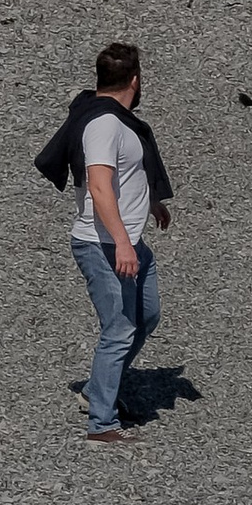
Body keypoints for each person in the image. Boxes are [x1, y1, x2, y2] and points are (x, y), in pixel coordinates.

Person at [40, 41, 171, 444]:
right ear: (135, 80)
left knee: (146, 318)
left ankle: (101, 388)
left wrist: (151, 204)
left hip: (127, 240)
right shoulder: (104, 125)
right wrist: (123, 243)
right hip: (103, 245)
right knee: (119, 327)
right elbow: (99, 187)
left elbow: (126, 176)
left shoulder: (116, 120)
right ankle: (101, 422)